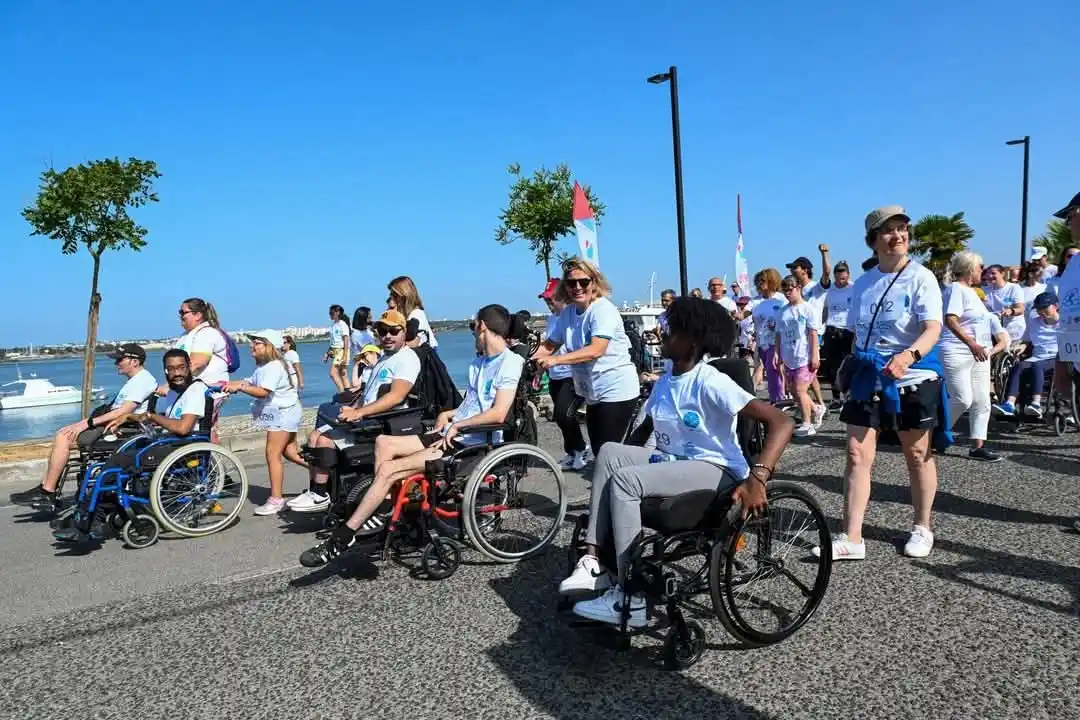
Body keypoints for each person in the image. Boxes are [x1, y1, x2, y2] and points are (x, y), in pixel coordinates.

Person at [559, 297, 794, 627]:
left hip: (718, 469)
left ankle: (631, 598)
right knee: (610, 453)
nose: (662, 333)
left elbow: (782, 422)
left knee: (627, 482)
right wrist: (622, 463)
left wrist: (758, 478)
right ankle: (594, 561)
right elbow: (644, 431)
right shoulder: (667, 378)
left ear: (693, 340)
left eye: (671, 329)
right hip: (677, 460)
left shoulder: (710, 380)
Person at [298, 304, 524, 566]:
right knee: (384, 443)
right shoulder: (479, 362)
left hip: (473, 442)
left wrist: (459, 426)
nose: (473, 332)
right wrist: (449, 414)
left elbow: (498, 414)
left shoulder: (510, 362)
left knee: (389, 470)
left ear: (483, 326)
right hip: (453, 432)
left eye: (474, 326)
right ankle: (385, 509)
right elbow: (472, 404)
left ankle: (343, 537)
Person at [821, 205, 949, 561]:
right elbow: (854, 333)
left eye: (903, 229)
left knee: (917, 454)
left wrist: (908, 356)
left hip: (912, 375)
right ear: (873, 240)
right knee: (856, 454)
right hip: (868, 376)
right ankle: (852, 537)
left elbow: (932, 328)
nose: (899, 236)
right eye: (889, 231)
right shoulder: (863, 284)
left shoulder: (922, 278)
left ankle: (922, 527)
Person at [289, 309, 421, 514]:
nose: (387, 335)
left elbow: (396, 396)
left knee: (324, 439)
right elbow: (371, 393)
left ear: (403, 332)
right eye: (382, 331)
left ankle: (320, 494)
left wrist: (360, 413)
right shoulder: (384, 358)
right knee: (315, 434)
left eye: (393, 331)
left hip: (383, 423)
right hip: (368, 416)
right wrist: (355, 408)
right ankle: (318, 491)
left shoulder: (406, 359)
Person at [9, 344, 158, 508]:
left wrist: (85, 424)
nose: (116, 363)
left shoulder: (143, 381)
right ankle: (46, 487)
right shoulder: (135, 381)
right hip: (112, 424)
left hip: (123, 428)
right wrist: (80, 423)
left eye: (120, 360)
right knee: (64, 433)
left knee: (63, 437)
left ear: (134, 362)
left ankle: (47, 491)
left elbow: (121, 412)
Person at [533, 258, 641, 456]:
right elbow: (549, 346)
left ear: (594, 283)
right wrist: (524, 362)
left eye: (584, 282)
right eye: (571, 283)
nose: (577, 287)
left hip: (616, 388)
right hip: (592, 391)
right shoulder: (568, 313)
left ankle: (619, 484)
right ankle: (610, 483)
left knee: (606, 453)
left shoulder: (602, 310)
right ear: (565, 286)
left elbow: (596, 349)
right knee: (600, 451)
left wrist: (556, 360)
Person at [224, 330, 306, 516]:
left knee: (272, 453)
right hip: (285, 411)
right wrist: (227, 384)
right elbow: (248, 382)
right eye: (253, 342)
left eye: (258, 343)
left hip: (284, 413)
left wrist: (242, 387)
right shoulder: (264, 367)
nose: (252, 346)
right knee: (290, 452)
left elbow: (263, 391)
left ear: (269, 346)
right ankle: (325, 474)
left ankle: (276, 500)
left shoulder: (274, 367)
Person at [940, 252, 1001, 462]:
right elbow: (951, 320)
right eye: (979, 267)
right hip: (958, 350)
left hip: (980, 353)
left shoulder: (974, 293)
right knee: (962, 398)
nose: (982, 271)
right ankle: (932, 433)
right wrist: (971, 343)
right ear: (969, 269)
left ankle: (978, 445)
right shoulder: (956, 289)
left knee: (982, 400)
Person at [540, 279, 590, 470]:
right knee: (560, 417)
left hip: (572, 373)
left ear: (562, 297)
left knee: (564, 414)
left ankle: (581, 448)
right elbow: (549, 346)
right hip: (555, 374)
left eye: (551, 300)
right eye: (546, 300)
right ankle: (572, 452)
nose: (549, 304)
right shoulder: (552, 318)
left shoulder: (574, 316)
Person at [993, 292, 1060, 419]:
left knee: (1037, 366)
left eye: (1045, 307)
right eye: (1039, 308)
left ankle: (1036, 404)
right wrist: (1021, 347)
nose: (1042, 311)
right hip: (1037, 356)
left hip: (1056, 357)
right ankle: (1009, 404)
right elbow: (1027, 341)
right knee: (1019, 365)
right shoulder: (1034, 322)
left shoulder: (1065, 322)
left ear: (1055, 306)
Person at [173, 297, 231, 439]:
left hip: (206, 390)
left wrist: (172, 383)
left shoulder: (206, 333)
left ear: (198, 315)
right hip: (190, 390)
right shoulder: (187, 335)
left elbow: (197, 363)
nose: (180, 315)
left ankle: (209, 457)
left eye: (183, 312)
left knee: (201, 431)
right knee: (202, 431)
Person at [775, 277, 823, 438]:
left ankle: (807, 423)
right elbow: (779, 334)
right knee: (794, 392)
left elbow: (812, 333)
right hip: (789, 356)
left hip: (804, 356)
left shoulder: (808, 309)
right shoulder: (783, 311)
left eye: (790, 289)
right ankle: (816, 409)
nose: (787, 293)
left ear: (798, 288)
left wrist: (815, 354)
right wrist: (777, 353)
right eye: (785, 290)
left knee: (800, 390)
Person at [821, 261, 855, 409]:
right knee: (831, 367)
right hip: (831, 329)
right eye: (838, 278)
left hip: (848, 331)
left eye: (843, 278)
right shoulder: (830, 290)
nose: (841, 281)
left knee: (847, 365)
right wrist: (821, 327)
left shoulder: (854, 288)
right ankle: (836, 398)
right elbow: (825, 309)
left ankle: (848, 395)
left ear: (848, 275)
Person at [751, 268, 786, 403]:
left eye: (763, 280)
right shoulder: (756, 301)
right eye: (758, 281)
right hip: (762, 342)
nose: (760, 283)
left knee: (773, 370)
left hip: (776, 341)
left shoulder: (781, 299)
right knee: (767, 372)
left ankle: (778, 399)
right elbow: (749, 315)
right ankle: (775, 398)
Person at [387, 276, 439, 351]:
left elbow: (414, 342)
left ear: (404, 294)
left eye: (394, 294)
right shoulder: (405, 315)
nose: (392, 298)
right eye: (391, 295)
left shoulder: (417, 314)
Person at [983, 265, 1026, 344]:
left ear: (1002, 274)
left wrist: (1011, 311)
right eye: (988, 273)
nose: (989, 276)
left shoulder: (1014, 288)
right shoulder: (984, 290)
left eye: (993, 273)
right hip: (996, 334)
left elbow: (1021, 309)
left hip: (1014, 332)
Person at [325, 304, 351, 393]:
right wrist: (327, 354)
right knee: (343, 373)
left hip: (341, 351)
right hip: (335, 351)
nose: (330, 315)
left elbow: (346, 340)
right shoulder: (333, 325)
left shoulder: (342, 325)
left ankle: (342, 392)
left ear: (337, 313)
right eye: (329, 313)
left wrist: (345, 355)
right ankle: (349, 393)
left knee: (333, 373)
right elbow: (332, 342)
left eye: (331, 313)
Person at [349, 306, 376, 388]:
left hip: (370, 365)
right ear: (363, 318)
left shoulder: (368, 331)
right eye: (369, 316)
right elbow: (369, 350)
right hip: (363, 366)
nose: (371, 318)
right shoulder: (357, 334)